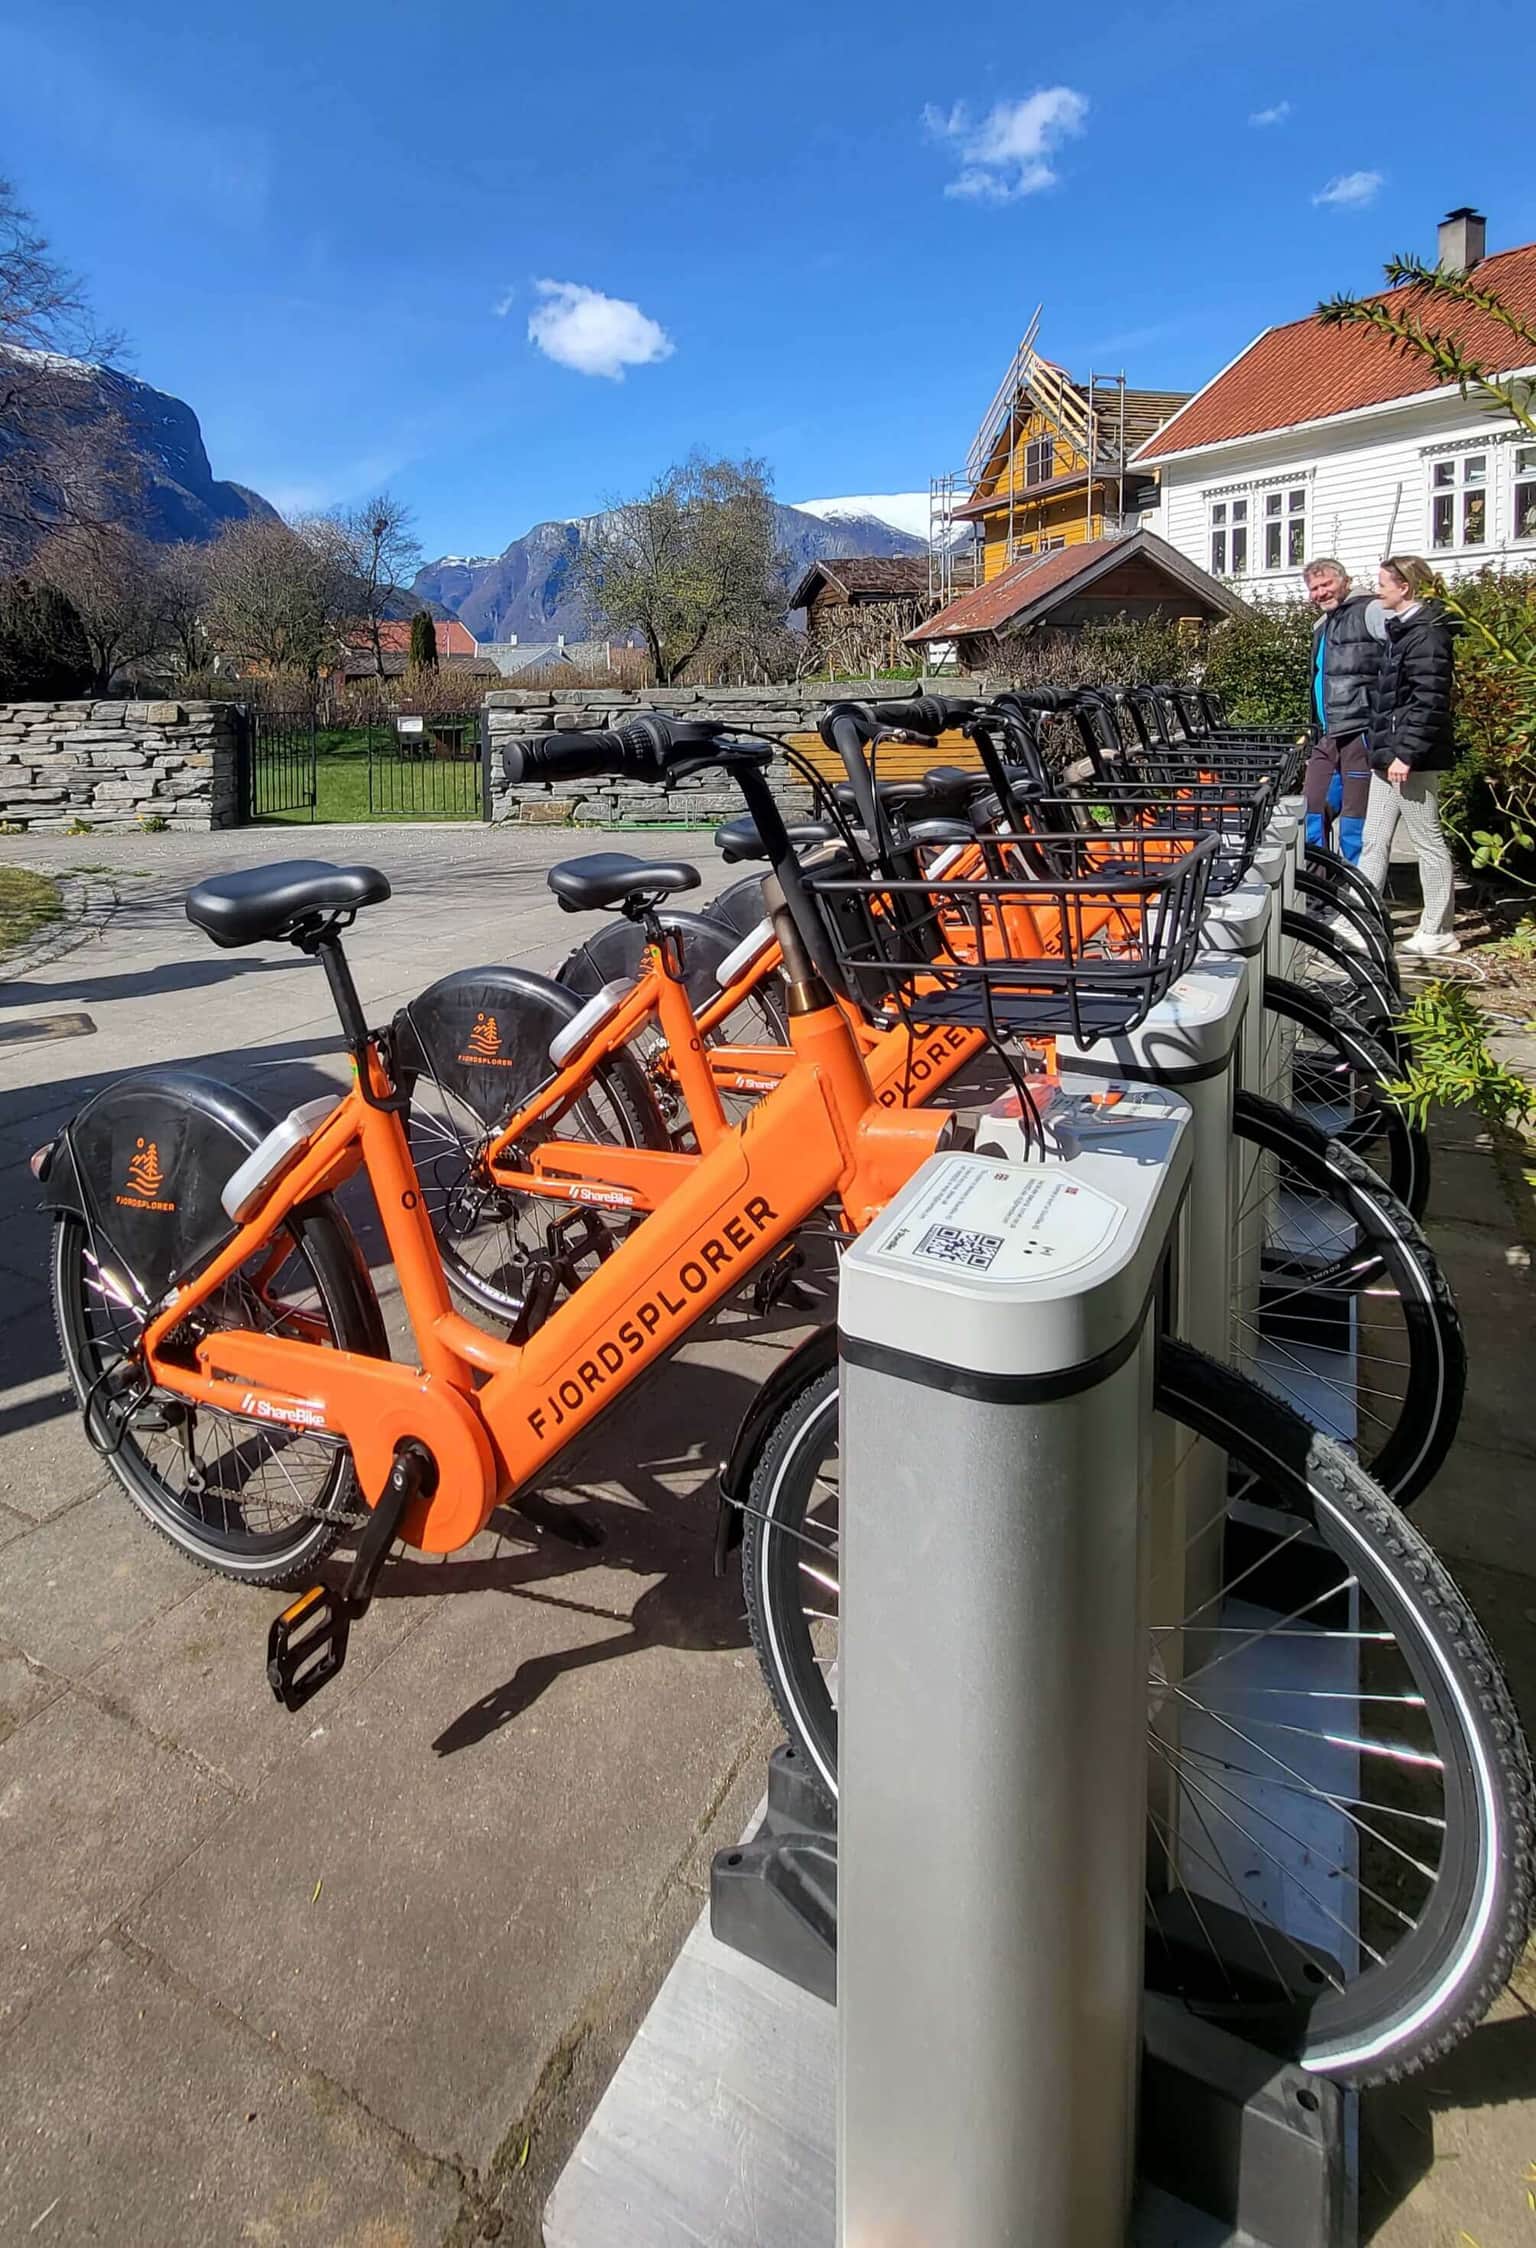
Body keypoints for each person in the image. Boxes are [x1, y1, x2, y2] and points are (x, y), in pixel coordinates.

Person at [1359, 555, 1460, 956]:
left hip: (1409, 760)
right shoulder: (1402, 631)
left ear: (1405, 587)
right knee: (1373, 838)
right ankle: (1363, 920)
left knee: (1426, 841)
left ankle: (1438, 929)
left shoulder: (1428, 635)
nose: (1377, 589)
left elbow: (1429, 701)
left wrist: (1407, 754)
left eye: (1383, 583)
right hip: (1389, 755)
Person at [1302, 557, 1387, 866]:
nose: (1321, 592)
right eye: (1315, 588)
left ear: (1345, 581)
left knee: (1354, 817)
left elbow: (1401, 656)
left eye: (1327, 584)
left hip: (1359, 729)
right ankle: (1319, 880)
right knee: (1311, 807)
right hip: (1328, 733)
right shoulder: (1322, 625)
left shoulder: (1371, 610)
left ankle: (1358, 882)